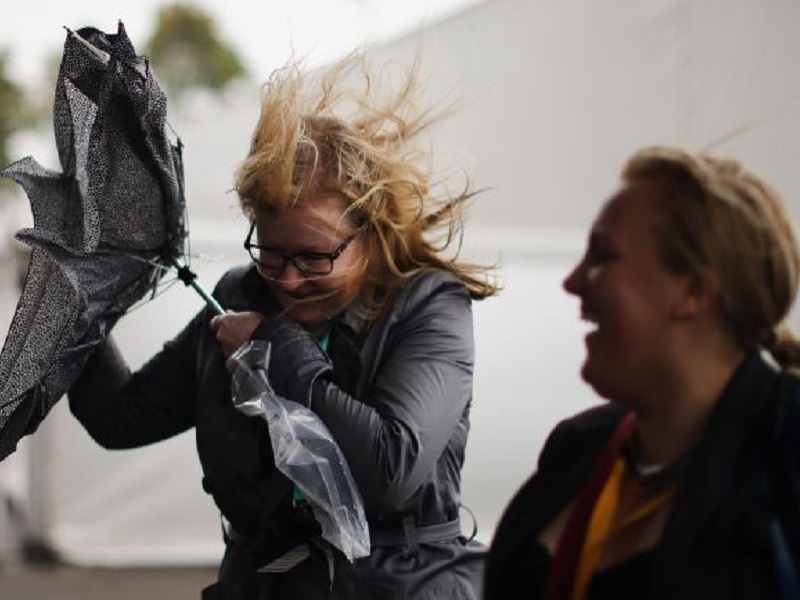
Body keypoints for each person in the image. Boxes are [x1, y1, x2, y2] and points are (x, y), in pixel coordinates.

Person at [68, 53, 499, 599]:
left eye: (314, 258)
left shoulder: (428, 305)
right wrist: (79, 299)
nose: (288, 281)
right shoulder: (238, 294)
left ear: (370, 230)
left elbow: (388, 474)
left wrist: (273, 350)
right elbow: (120, 418)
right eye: (269, 253)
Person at [483, 145, 800, 600]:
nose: (572, 281)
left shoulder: (783, 455)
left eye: (603, 255)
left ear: (693, 290)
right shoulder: (577, 449)